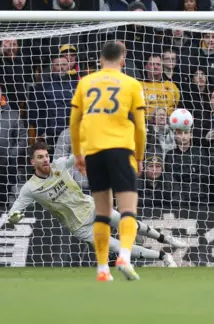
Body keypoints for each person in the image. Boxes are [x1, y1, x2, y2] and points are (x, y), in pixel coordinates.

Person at [6, 141, 185, 268]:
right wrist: (14, 219)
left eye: (46, 156)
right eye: (40, 157)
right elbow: (12, 215)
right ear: (32, 162)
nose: (45, 160)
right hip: (79, 226)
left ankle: (166, 239)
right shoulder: (30, 188)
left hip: (92, 207)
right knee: (116, 247)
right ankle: (164, 256)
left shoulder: (58, 166)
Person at [69, 41, 146, 282]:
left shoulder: (85, 82)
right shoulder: (132, 84)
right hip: (120, 150)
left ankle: (103, 269)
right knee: (127, 209)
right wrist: (140, 156)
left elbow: (74, 122)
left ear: (100, 59)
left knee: (102, 213)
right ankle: (124, 254)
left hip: (93, 152)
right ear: (123, 60)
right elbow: (141, 128)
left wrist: (79, 153)